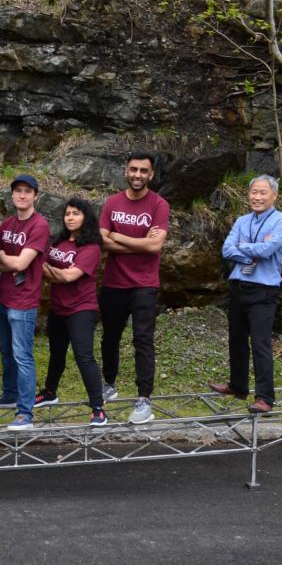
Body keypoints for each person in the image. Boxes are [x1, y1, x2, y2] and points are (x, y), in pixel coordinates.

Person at [210, 174, 282, 414]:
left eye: (262, 193)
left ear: (274, 195)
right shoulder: (242, 220)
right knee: (236, 340)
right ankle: (238, 386)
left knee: (260, 344)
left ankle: (265, 398)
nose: (256, 197)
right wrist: (250, 252)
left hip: (264, 290)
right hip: (238, 287)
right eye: (253, 192)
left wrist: (242, 247)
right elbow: (227, 249)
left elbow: (268, 250)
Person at [98, 152, 169, 424]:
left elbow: (154, 246)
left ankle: (144, 399)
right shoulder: (112, 203)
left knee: (142, 340)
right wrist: (137, 243)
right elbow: (101, 242)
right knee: (109, 338)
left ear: (151, 175)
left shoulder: (159, 205)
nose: (137, 175)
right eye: (133, 170)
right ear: (126, 172)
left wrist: (116, 235)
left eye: (143, 171)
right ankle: (109, 384)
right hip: (114, 283)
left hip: (144, 285)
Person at [0, 174, 50, 431]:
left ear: (36, 196)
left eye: (27, 191)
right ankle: (9, 394)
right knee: (6, 352)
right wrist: (4, 258)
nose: (22, 195)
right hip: (3, 297)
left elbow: (22, 263)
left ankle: (25, 413)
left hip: (23, 302)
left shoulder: (39, 225)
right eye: (18, 191)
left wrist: (4, 257)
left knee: (23, 356)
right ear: (12, 195)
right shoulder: (7, 225)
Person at [39, 197, 106, 425]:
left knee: (83, 356)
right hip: (58, 308)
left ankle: (98, 407)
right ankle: (50, 392)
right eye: (67, 213)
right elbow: (42, 263)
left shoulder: (91, 248)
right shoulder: (58, 243)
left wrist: (43, 266)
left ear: (86, 218)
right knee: (56, 353)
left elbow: (69, 276)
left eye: (76, 213)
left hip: (81, 309)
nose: (70, 217)